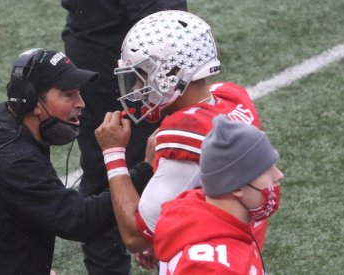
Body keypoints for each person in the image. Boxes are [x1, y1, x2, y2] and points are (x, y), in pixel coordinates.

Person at [0, 48, 152, 275]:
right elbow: (80, 220)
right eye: (69, 94)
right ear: (32, 102)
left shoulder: (1, 124)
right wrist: (141, 167)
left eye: (78, 92)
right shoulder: (12, 160)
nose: (81, 103)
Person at [94, 9, 265, 265]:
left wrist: (113, 153)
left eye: (142, 75)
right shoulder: (231, 99)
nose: (136, 88)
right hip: (241, 253)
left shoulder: (185, 131)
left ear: (171, 73)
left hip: (204, 263)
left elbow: (135, 236)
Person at [61, 1, 188, 273]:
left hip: (104, 53)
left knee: (110, 175)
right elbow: (168, 26)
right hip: (134, 68)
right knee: (174, 168)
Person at [154, 115, 283, 274]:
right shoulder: (213, 268)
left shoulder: (216, 221)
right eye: (265, 170)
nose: (278, 175)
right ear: (236, 187)